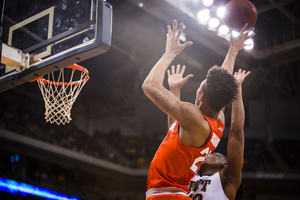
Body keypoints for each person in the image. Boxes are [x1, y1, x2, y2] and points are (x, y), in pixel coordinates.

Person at [142, 19, 254, 200]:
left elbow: (149, 85)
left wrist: (169, 53)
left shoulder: (194, 118)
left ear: (201, 97)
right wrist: (233, 51)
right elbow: (221, 86)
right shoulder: (218, 119)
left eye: (200, 88)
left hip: (168, 194)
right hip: (174, 193)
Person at [188, 69, 250, 200]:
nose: (212, 152)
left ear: (224, 165)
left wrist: (237, 88)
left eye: (217, 154)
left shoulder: (227, 180)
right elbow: (180, 131)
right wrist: (175, 89)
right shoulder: (190, 173)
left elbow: (237, 132)